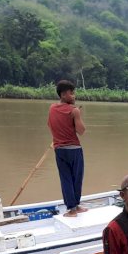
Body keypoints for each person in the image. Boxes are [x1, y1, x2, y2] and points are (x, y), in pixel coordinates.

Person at [48, 79, 87, 217]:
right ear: (64, 94)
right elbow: (81, 131)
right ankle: (74, 207)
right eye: (72, 93)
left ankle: (73, 208)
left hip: (59, 149)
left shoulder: (52, 108)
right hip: (74, 149)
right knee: (76, 178)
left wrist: (57, 140)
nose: (74, 96)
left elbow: (51, 126)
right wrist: (78, 114)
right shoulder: (74, 110)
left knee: (66, 179)